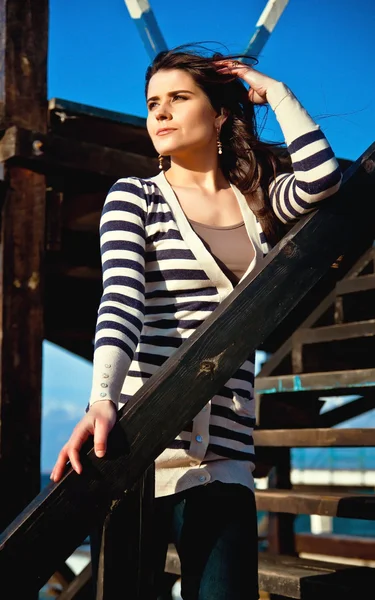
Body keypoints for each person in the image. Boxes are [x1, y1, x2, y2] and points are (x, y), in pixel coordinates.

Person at [51, 47, 342, 599]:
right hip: (139, 442)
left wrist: (276, 93)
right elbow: (121, 301)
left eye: (179, 99)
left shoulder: (257, 202)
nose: (159, 113)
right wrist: (101, 399)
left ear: (220, 115)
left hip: (227, 455)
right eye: (152, 103)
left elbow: (324, 180)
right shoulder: (133, 198)